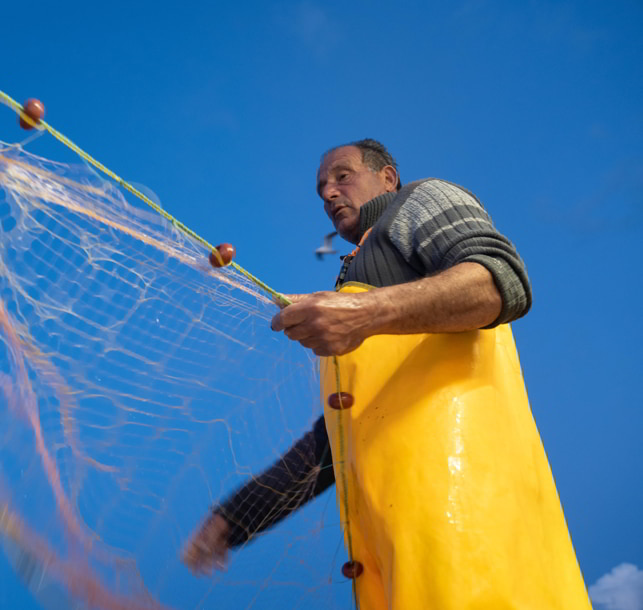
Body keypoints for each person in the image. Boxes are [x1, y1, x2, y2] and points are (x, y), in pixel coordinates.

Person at [182, 139, 591, 609]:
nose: (329, 194)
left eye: (342, 176)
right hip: (390, 550)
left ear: (388, 178)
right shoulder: (355, 278)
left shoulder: (421, 199)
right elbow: (338, 440)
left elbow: (500, 282)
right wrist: (235, 517)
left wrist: (364, 310)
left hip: (465, 514)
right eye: (320, 189)